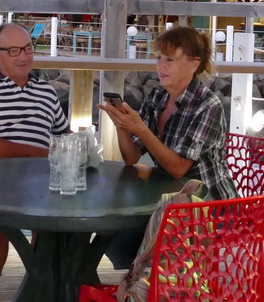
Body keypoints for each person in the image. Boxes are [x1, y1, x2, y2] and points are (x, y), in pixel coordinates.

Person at [98, 25, 236, 268]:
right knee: (114, 237)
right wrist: (121, 124)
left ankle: (160, 284)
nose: (160, 66)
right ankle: (150, 283)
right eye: (159, 58)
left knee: (134, 241)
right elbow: (131, 158)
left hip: (211, 206)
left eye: (170, 60)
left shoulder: (207, 105)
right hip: (168, 200)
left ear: (194, 64)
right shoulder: (158, 97)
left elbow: (178, 168)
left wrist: (141, 128)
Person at [0, 22, 70, 302]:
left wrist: (82, 148)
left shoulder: (47, 92)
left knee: (56, 219)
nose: (24, 56)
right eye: (13, 50)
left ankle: (36, 289)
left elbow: (64, 138)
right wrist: (41, 154)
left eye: (27, 48)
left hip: (39, 177)